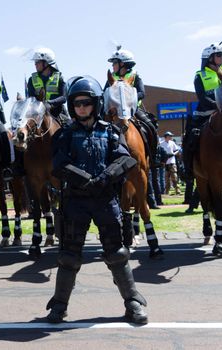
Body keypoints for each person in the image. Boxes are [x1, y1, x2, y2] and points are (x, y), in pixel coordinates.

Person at [47, 76, 148, 324]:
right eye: (77, 103)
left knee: (117, 254)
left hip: (105, 200)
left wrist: (104, 178)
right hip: (76, 202)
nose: (81, 108)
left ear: (95, 103)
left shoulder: (111, 131)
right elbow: (59, 164)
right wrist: (83, 179)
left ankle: (133, 302)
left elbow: (125, 159)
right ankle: (59, 306)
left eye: (86, 103)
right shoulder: (65, 134)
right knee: (69, 256)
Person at [104, 46, 158, 162]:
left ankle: (154, 157)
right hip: (114, 111)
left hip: (133, 109)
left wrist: (128, 99)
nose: (112, 66)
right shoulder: (111, 77)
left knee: (151, 126)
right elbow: (105, 93)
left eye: (114, 62)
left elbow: (142, 93)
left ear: (122, 63)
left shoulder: (135, 75)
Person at [183, 41, 222, 177]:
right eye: (219, 55)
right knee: (189, 137)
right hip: (205, 113)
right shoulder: (200, 75)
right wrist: (219, 106)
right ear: (210, 58)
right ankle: (188, 170)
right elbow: (202, 98)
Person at [27, 48, 69, 123]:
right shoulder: (31, 80)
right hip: (38, 114)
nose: (35, 64)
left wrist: (49, 102)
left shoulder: (60, 78)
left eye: (38, 62)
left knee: (70, 128)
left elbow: (64, 98)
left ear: (46, 63)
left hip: (57, 112)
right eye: (35, 62)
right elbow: (31, 99)